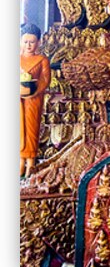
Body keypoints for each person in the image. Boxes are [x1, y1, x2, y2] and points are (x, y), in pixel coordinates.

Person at [20, 23, 51, 179]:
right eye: (25, 42)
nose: (28, 45)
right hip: (18, 99)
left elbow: (45, 80)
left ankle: (30, 163)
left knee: (31, 129)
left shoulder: (42, 60)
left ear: (38, 42)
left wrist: (33, 89)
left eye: (32, 42)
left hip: (34, 99)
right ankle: (20, 162)